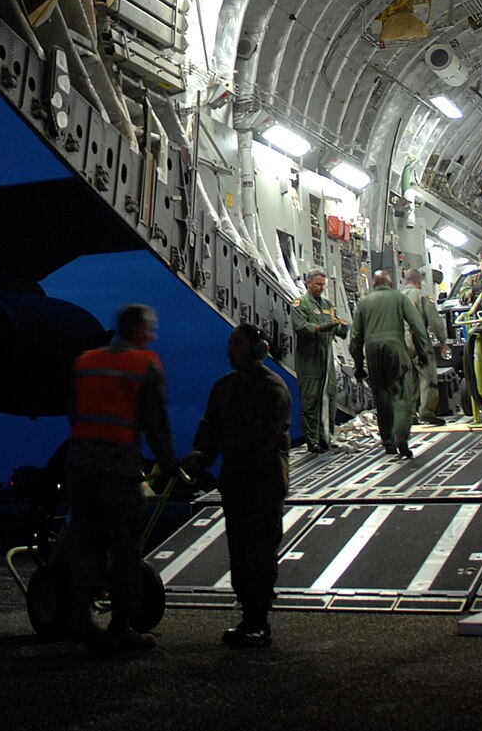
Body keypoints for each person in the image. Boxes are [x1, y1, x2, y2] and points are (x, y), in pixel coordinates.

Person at [63, 303, 180, 653]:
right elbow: (156, 422)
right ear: (138, 330)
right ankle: (121, 626)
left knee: (87, 540)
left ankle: (80, 618)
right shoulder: (145, 365)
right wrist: (169, 463)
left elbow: (73, 410)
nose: (154, 334)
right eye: (151, 327)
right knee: (127, 546)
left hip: (81, 465)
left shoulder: (84, 362)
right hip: (118, 468)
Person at [186, 323, 291, 648]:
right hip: (236, 482)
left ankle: (258, 621)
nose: (231, 350)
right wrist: (196, 460)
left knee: (259, 552)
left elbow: (262, 438)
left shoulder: (273, 389)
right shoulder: (224, 388)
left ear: (258, 349)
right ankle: (248, 616)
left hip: (263, 482)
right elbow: (208, 430)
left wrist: (221, 447)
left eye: (238, 343)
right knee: (239, 551)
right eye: (230, 343)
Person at [348, 270, 434, 457]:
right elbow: (417, 326)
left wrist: (358, 365)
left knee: (382, 397)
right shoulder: (399, 298)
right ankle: (401, 437)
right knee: (402, 394)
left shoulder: (363, 303)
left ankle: (388, 442)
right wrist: (422, 353)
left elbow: (355, 338)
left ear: (373, 284)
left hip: (373, 352)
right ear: (391, 283)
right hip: (396, 349)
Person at [290, 270, 347, 452]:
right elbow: (301, 327)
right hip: (309, 361)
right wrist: (322, 327)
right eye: (318, 284)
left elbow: (339, 332)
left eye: (323, 285)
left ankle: (326, 437)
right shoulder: (300, 304)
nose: (321, 288)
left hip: (327, 363)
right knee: (310, 401)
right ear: (308, 283)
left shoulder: (328, 305)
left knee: (329, 399)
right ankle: (312, 440)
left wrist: (343, 328)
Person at [401, 267, 452, 423]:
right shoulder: (423, 296)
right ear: (419, 282)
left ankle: (409, 414)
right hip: (419, 341)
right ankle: (426, 411)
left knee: (408, 379)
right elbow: (434, 321)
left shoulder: (397, 297)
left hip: (401, 342)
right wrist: (443, 342)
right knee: (427, 376)